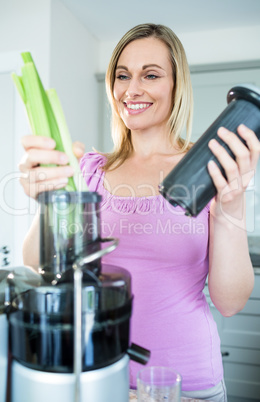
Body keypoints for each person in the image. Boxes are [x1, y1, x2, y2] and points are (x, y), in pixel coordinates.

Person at [19, 23, 260, 401]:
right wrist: (48, 202)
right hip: (98, 374)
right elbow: (38, 264)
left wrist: (230, 204)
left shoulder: (208, 169)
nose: (131, 89)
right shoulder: (89, 170)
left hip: (185, 383)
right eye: (122, 75)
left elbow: (229, 302)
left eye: (150, 74)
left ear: (176, 84)